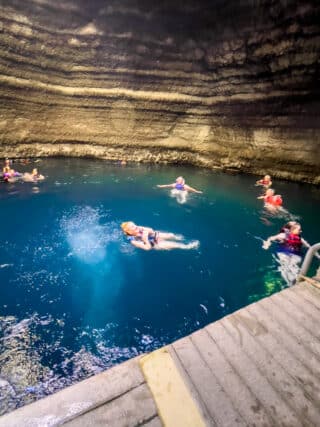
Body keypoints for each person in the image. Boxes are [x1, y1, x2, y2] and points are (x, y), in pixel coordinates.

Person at [121, 221, 199, 251]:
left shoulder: (138, 228)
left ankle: (177, 238)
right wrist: (145, 239)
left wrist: (147, 232)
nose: (135, 226)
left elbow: (151, 229)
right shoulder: (133, 241)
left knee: (171, 235)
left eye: (134, 225)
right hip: (154, 244)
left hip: (154, 235)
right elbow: (147, 248)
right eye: (132, 227)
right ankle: (188, 246)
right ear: (129, 232)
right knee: (176, 245)